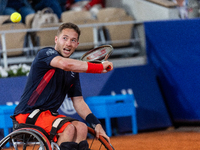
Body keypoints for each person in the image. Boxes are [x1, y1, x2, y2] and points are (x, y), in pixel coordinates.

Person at [12, 22, 113, 150]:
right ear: (56, 39)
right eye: (64, 38)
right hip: (27, 115)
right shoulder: (45, 54)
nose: (68, 43)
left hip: (50, 116)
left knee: (81, 127)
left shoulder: (73, 71)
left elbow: (79, 102)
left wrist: (96, 125)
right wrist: (98, 67)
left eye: (73, 40)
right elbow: (65, 64)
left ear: (77, 44)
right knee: (68, 129)